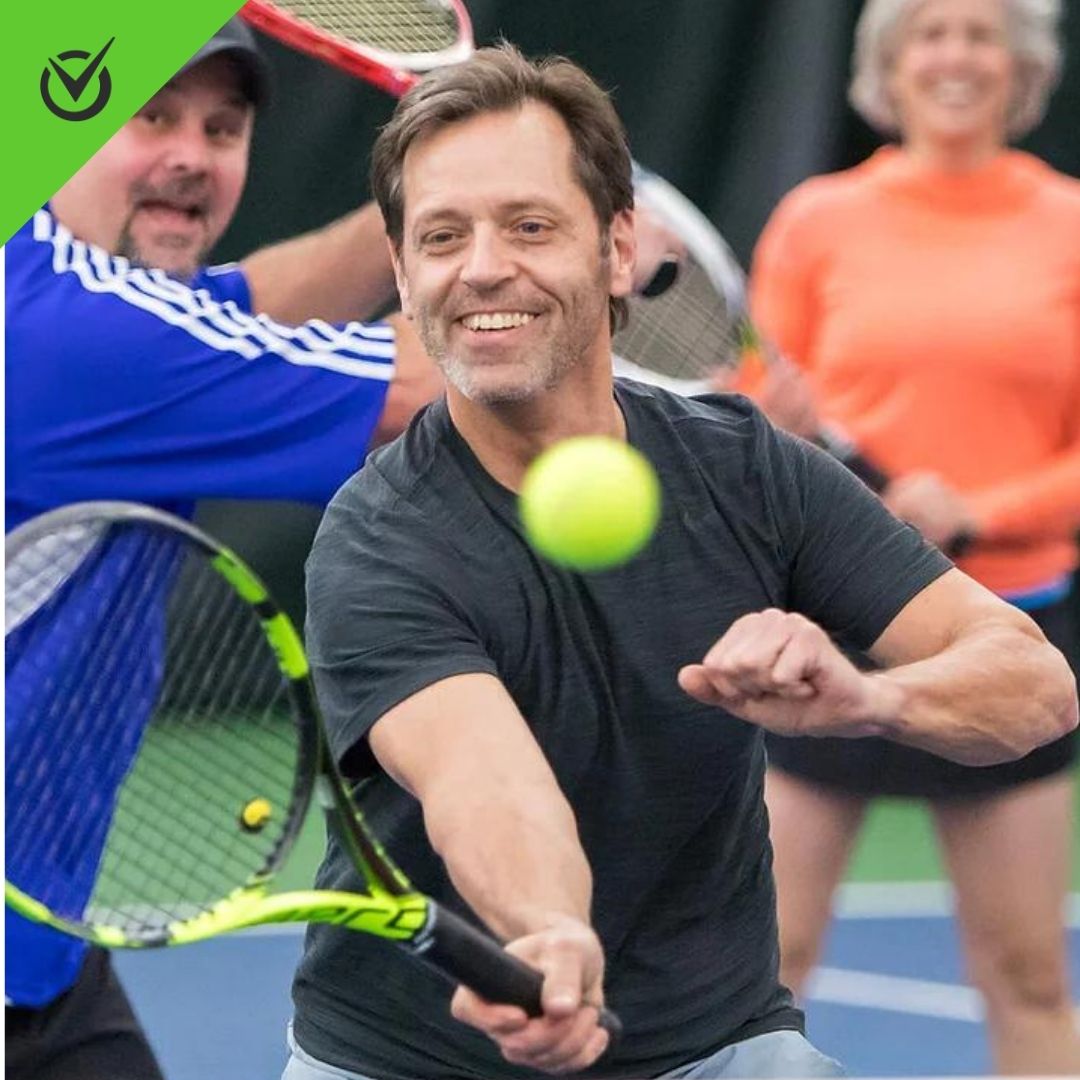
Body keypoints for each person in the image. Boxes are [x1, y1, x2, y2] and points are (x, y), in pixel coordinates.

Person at [283, 43, 1077, 1080]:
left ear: (617, 251)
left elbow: (1033, 682)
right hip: (410, 1058)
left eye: (529, 225)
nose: (481, 266)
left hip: (714, 1045)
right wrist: (551, 934)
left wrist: (867, 701)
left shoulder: (747, 470)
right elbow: (484, 780)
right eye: (442, 236)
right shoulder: (377, 534)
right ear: (401, 273)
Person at [4, 17, 445, 1080]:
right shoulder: (81, 337)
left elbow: (254, 300)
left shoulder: (60, 288)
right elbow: (421, 386)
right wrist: (553, 243)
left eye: (223, 125)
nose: (191, 155)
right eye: (148, 117)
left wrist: (426, 196)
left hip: (38, 947)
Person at [747, 0, 1080, 1073]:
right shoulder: (815, 220)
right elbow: (752, 413)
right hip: (829, 632)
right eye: (930, 32)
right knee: (767, 964)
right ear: (888, 63)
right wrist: (781, 438)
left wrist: (980, 510)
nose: (955, 56)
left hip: (1009, 636)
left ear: (1021, 65)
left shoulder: (1070, 223)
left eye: (982, 34)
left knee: (1027, 973)